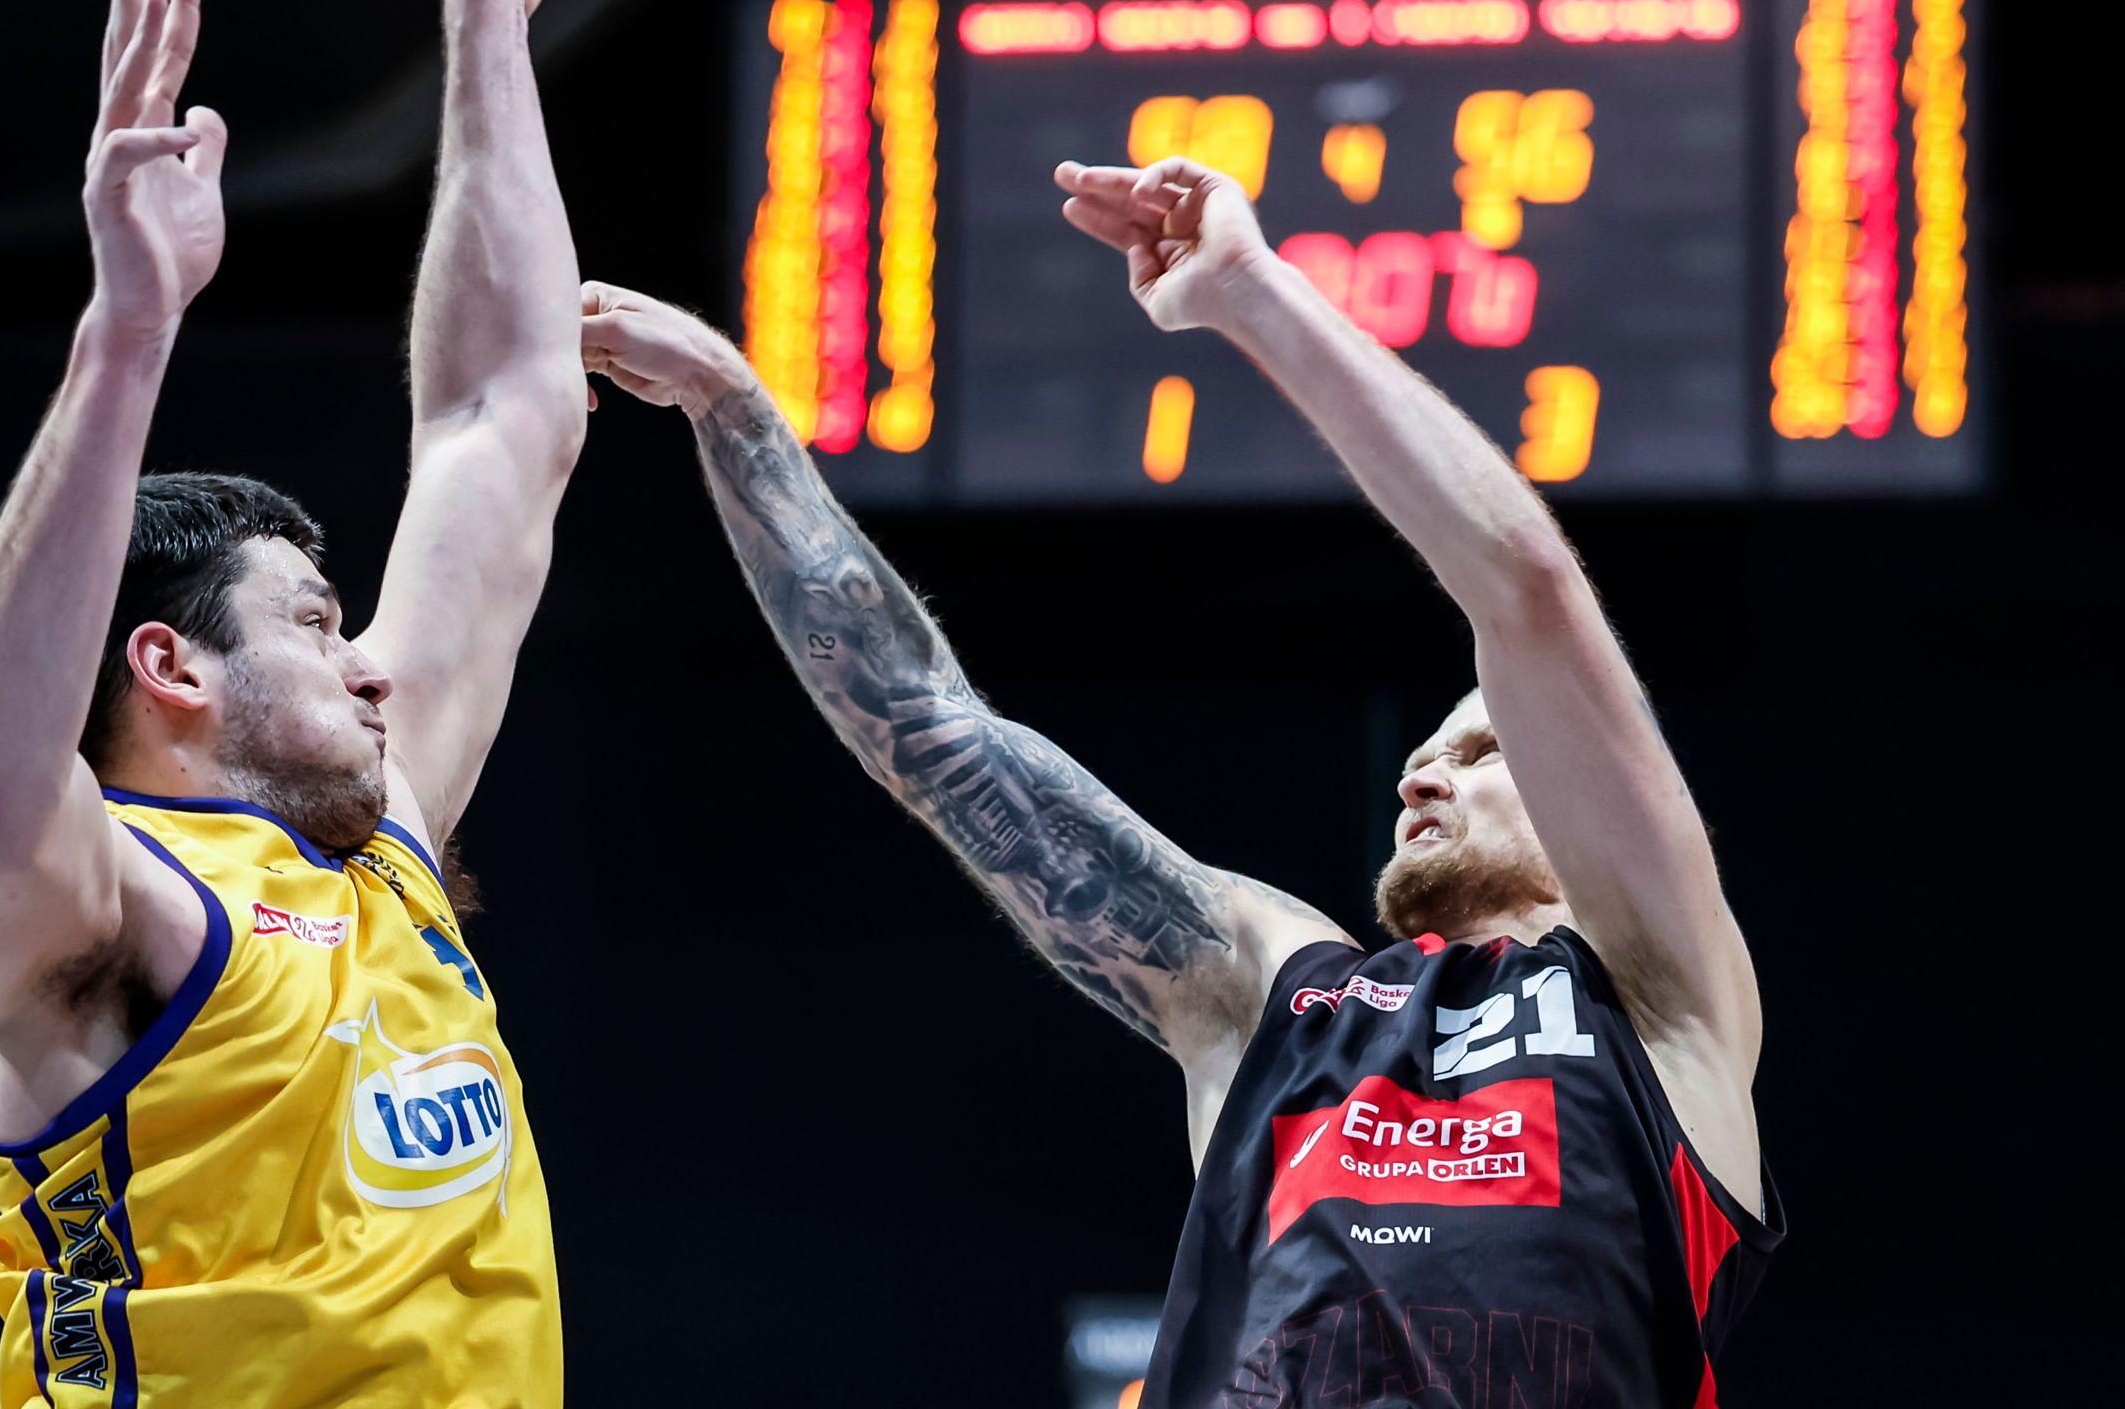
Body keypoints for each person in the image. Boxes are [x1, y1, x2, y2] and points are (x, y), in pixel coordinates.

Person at [576, 153, 1781, 1408]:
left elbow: (1525, 590)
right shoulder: (1280, 990)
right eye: (1424, 752)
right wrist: (732, 406)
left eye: (1482, 750)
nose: (1426, 772)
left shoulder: (1661, 999)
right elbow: (935, 732)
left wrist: (1253, 291)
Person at [0, 0, 652, 1409]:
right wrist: (126, 335)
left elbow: (506, 413)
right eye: (317, 626)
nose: (373, 659)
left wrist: (492, 12)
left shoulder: (383, 851)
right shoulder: (96, 908)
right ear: (169, 665)